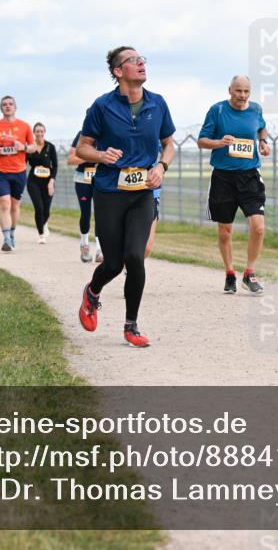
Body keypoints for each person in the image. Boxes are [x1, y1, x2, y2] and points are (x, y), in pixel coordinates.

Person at [76, 46, 175, 347]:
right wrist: (101, 154)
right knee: (114, 264)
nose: (141, 63)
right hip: (108, 192)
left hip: (143, 191)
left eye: (142, 59)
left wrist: (161, 165)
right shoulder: (102, 106)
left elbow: (168, 144)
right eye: (133, 60)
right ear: (119, 72)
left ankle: (131, 325)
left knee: (136, 255)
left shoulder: (157, 104)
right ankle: (92, 292)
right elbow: (82, 148)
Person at [197, 75, 270, 294]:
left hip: (250, 176)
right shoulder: (217, 110)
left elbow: (261, 129)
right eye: (238, 91)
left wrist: (263, 143)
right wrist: (220, 142)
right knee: (225, 231)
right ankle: (230, 273)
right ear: (230, 90)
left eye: (246, 91)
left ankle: (250, 273)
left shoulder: (256, 110)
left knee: (258, 228)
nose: (242, 96)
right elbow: (201, 140)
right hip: (223, 177)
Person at [0, 95, 36, 252]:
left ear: (15, 107)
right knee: (5, 203)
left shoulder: (24, 126)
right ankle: (6, 238)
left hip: (19, 171)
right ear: (1, 108)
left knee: (15, 206)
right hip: (0, 171)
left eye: (10, 104)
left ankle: (12, 233)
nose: (7, 106)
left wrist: (23, 148)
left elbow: (33, 146)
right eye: (4, 104)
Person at [68, 132, 103, 263]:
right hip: (83, 179)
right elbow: (71, 159)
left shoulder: (107, 132)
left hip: (100, 179)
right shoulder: (81, 135)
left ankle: (100, 250)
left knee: (101, 214)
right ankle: (84, 245)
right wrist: (91, 155)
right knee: (86, 213)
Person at [26, 122, 58, 243]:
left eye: (41, 131)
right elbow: (22, 163)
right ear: (34, 133)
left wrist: (51, 182)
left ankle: (44, 224)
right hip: (33, 181)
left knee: (46, 210)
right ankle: (41, 235)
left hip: (48, 181)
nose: (39, 133)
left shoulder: (50, 147)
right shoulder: (29, 147)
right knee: (39, 208)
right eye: (37, 131)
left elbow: (55, 166)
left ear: (44, 132)